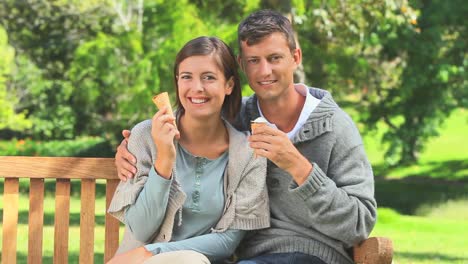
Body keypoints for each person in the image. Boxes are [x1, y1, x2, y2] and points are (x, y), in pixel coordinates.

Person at [115, 10, 377, 264]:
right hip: (245, 255)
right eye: (254, 60)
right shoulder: (235, 117)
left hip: (313, 251)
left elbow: (359, 224)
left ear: (295, 57)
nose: (264, 72)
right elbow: (193, 117)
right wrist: (131, 147)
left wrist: (299, 166)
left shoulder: (336, 127)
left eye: (274, 58)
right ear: (242, 65)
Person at [107, 36, 270, 264]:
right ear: (177, 82)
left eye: (209, 77)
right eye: (186, 77)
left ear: (229, 85)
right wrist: (164, 158)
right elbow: (141, 230)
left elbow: (228, 241)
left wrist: (152, 252)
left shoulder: (249, 152)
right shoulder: (146, 135)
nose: (197, 88)